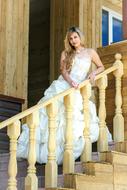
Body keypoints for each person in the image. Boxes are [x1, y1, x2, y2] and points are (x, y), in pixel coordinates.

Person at [17, 26, 110, 164]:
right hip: (66, 84)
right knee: (53, 114)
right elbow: (64, 72)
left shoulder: (90, 52)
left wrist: (93, 73)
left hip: (81, 86)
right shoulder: (66, 53)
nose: (73, 41)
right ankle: (48, 150)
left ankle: (68, 148)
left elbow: (101, 66)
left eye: (75, 37)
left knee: (73, 116)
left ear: (80, 37)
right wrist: (71, 82)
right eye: (70, 39)